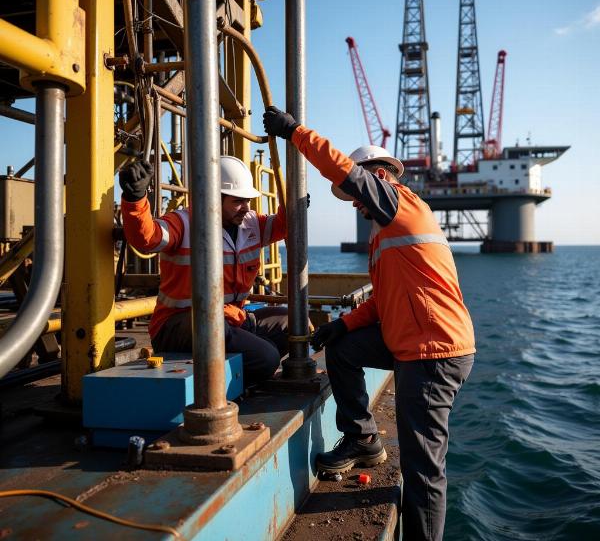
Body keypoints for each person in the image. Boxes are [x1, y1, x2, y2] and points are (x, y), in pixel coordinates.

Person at [263, 106, 475, 541]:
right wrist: (343, 326)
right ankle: (362, 439)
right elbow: (384, 301)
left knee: (422, 469)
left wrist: (296, 133)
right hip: (413, 342)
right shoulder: (386, 235)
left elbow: (343, 171)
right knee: (344, 351)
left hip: (433, 352)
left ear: (377, 177)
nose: (356, 205)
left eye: (358, 195)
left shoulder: (398, 203)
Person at [119, 155, 289, 387]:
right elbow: (147, 238)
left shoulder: (249, 224)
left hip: (229, 318)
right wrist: (135, 200)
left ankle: (232, 377)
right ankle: (224, 387)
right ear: (214, 198)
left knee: (291, 324)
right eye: (238, 201)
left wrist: (295, 203)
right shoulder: (185, 223)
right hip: (178, 326)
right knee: (266, 358)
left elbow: (284, 225)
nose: (246, 208)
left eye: (248, 200)